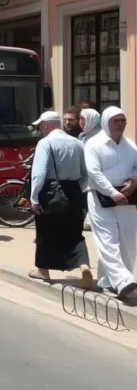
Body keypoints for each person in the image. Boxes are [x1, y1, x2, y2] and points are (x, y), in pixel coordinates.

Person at [28, 111, 92, 288]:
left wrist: (34, 198)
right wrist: (75, 191)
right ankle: (84, 265)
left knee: (45, 231)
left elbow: (39, 173)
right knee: (74, 233)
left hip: (51, 192)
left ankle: (43, 270)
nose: (40, 128)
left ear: (46, 124)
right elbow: (85, 174)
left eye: (40, 125)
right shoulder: (77, 143)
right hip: (74, 192)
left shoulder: (45, 143)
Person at [84, 106, 137, 299]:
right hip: (101, 198)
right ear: (106, 122)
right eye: (117, 121)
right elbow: (93, 172)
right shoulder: (93, 144)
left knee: (129, 241)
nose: (121, 124)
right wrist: (112, 192)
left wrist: (134, 180)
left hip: (128, 198)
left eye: (123, 121)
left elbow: (136, 167)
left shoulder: (130, 145)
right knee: (108, 240)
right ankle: (123, 280)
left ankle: (108, 282)